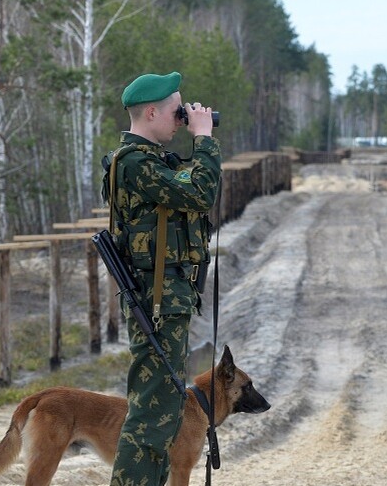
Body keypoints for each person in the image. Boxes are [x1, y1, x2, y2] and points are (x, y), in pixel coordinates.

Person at [101, 71, 222, 486]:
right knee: (153, 414)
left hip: (165, 299)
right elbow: (200, 193)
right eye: (177, 111)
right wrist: (204, 139)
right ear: (151, 111)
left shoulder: (152, 162)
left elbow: (190, 188)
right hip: (157, 303)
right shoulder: (136, 163)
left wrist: (196, 136)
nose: (182, 118)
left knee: (164, 411)